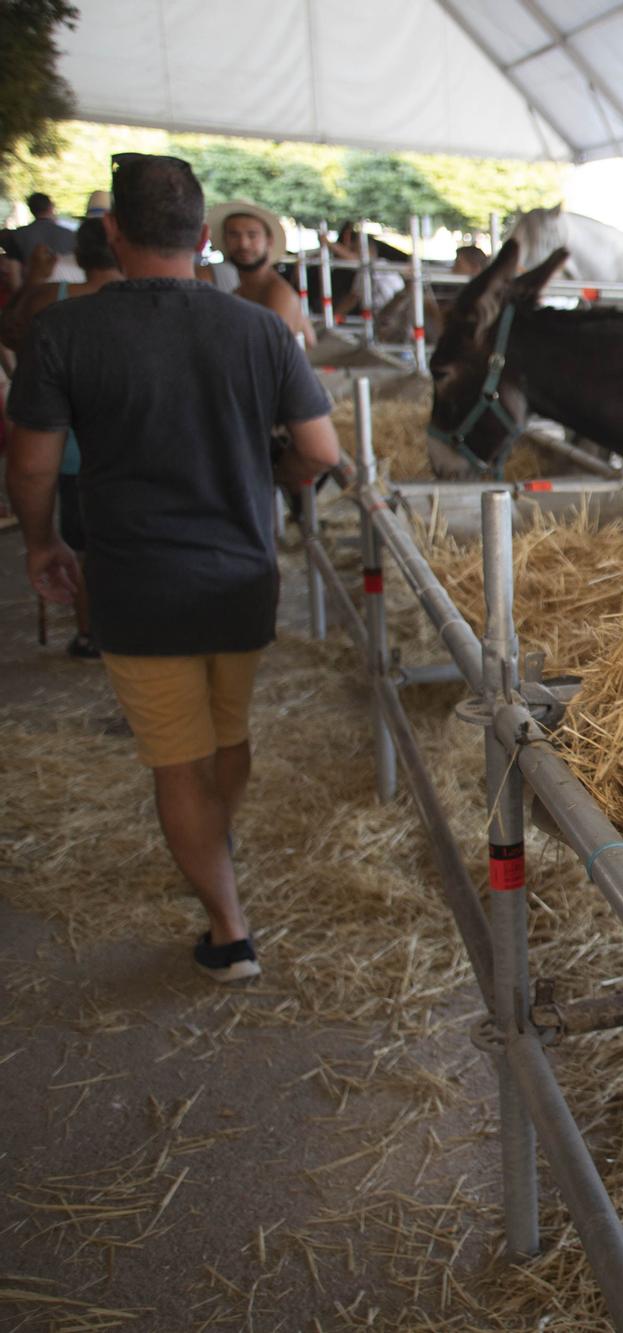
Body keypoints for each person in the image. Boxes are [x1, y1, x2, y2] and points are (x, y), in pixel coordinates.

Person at [4, 153, 339, 983]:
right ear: (202, 237)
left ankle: (227, 923)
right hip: (241, 575)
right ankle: (215, 862)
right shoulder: (259, 329)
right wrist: (272, 478)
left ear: (113, 234)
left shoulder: (64, 332)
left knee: (176, 759)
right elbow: (320, 452)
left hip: (135, 583)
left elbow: (34, 465)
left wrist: (41, 543)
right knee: (228, 734)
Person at [0, 218, 123, 657]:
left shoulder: (51, 299)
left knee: (84, 548)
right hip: (128, 444)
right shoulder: (142, 301)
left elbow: (10, 332)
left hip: (67, 448)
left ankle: (90, 632)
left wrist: (33, 278)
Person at [206, 198, 313, 346]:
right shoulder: (240, 291)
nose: (243, 244)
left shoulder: (277, 293)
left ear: (268, 241)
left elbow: (269, 354)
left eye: (252, 235)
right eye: (234, 235)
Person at [1, 192, 77, 263]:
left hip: (28, 276)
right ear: (50, 207)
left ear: (31, 209)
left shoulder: (17, 235)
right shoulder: (69, 234)